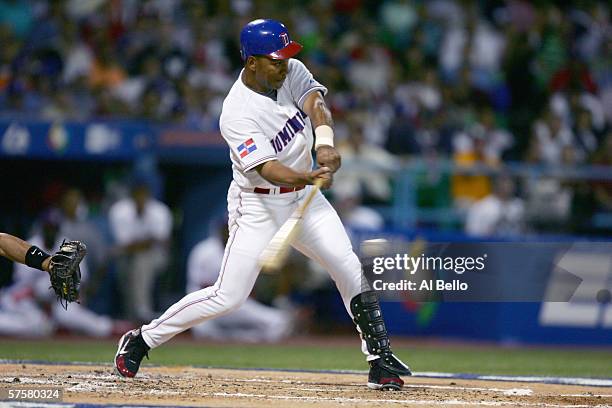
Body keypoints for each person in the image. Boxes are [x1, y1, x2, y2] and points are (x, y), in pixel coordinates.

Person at [114, 19, 411, 391]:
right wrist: (308, 176)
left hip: (306, 199)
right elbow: (269, 170)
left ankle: (379, 360)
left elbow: (316, 103)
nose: (284, 65)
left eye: (286, 57)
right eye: (275, 60)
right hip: (258, 206)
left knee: (347, 264)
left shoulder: (290, 71)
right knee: (229, 296)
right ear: (251, 62)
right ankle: (142, 339)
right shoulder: (236, 111)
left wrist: (324, 143)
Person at [187, 220, 293, 342]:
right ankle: (244, 339)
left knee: (280, 322)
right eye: (227, 226)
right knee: (205, 332)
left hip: (235, 305)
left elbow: (249, 285)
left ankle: (241, 340)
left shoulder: (241, 248)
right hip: (206, 306)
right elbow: (205, 287)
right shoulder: (206, 251)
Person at [108, 179, 172, 321]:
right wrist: (146, 241)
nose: (140, 199)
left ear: (149, 195)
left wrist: (143, 244)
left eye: (143, 195)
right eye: (137, 195)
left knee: (140, 262)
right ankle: (132, 316)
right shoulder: (120, 211)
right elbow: (124, 244)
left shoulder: (160, 211)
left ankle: (143, 310)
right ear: (132, 195)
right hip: (126, 256)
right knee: (128, 268)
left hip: (157, 257)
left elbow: (162, 243)